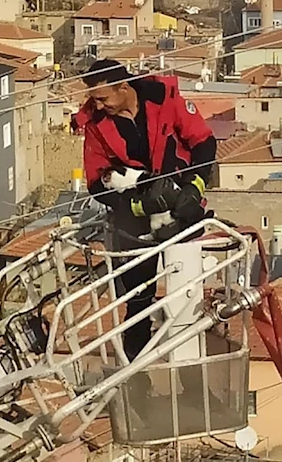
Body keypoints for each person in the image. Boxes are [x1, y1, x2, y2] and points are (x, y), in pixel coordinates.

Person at [72, 59, 216, 363]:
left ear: (123, 88)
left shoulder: (163, 98)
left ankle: (189, 368)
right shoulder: (97, 125)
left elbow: (204, 143)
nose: (98, 105)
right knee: (137, 298)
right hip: (133, 218)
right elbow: (97, 182)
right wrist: (136, 205)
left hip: (182, 205)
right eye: (94, 99)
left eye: (103, 97)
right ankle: (137, 372)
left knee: (187, 296)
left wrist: (195, 189)